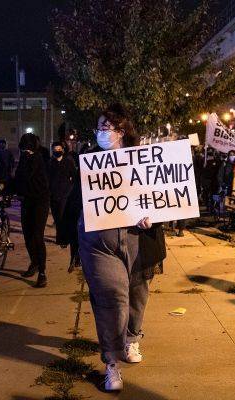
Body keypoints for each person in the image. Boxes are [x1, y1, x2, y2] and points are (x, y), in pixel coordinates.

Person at [78, 104, 165, 391]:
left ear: (122, 132)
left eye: (107, 128)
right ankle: (111, 364)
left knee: (137, 296)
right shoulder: (88, 162)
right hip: (99, 243)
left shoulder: (142, 162)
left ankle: (132, 338)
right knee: (111, 298)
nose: (101, 133)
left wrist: (152, 215)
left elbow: (159, 197)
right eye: (99, 127)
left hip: (137, 239)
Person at [14, 134, 50, 288]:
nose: (25, 152)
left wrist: (27, 159)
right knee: (28, 235)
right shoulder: (24, 158)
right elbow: (19, 178)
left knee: (37, 236)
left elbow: (27, 175)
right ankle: (34, 262)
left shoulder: (38, 159)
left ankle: (42, 272)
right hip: (27, 201)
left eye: (27, 149)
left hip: (40, 201)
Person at [48, 141, 78, 251]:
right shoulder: (50, 163)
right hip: (53, 195)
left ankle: (62, 239)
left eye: (59, 150)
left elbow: (74, 176)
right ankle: (61, 237)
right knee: (56, 217)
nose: (57, 152)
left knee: (62, 217)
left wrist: (70, 189)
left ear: (63, 150)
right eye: (55, 150)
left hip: (65, 195)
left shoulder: (68, 162)